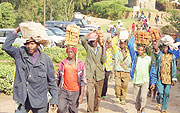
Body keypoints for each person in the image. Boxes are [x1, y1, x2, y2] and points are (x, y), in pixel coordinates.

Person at [2, 27, 58, 113]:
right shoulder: (20, 54)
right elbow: (6, 47)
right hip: (23, 98)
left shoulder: (46, 60)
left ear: (38, 44)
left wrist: (54, 98)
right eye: (27, 44)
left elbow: (52, 81)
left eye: (32, 43)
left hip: (40, 100)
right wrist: (16, 31)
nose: (30, 46)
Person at [128, 36, 157, 113]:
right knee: (136, 98)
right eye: (138, 50)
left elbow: (153, 71)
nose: (139, 51)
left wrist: (153, 82)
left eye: (141, 50)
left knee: (143, 96)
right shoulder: (135, 57)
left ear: (144, 50)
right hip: (136, 80)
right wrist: (134, 36)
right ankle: (138, 110)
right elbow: (130, 45)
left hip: (145, 80)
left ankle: (143, 108)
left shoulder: (149, 59)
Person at [81, 32, 106, 113]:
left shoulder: (101, 48)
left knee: (98, 95)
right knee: (89, 93)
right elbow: (82, 40)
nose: (92, 43)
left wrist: (104, 48)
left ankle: (96, 109)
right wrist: (89, 33)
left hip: (99, 74)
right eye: (91, 41)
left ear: (97, 40)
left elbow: (103, 60)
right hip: (90, 74)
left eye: (93, 41)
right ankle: (90, 110)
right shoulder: (88, 47)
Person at [57, 46, 86, 113]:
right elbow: (58, 77)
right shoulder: (63, 63)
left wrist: (81, 95)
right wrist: (56, 90)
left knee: (73, 110)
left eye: (71, 52)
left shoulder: (80, 64)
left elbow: (83, 80)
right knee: (61, 109)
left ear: (75, 53)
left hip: (75, 92)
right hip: (64, 90)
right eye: (68, 52)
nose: (69, 53)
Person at [154, 36, 177, 113]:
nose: (164, 49)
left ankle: (164, 108)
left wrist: (174, 78)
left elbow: (173, 68)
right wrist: (159, 39)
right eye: (163, 47)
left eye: (166, 47)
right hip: (160, 78)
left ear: (168, 48)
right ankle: (159, 102)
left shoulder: (172, 56)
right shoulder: (160, 55)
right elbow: (156, 48)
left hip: (168, 78)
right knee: (160, 92)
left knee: (167, 93)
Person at [112, 35, 131, 105]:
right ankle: (117, 96)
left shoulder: (129, 51)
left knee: (125, 86)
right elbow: (113, 43)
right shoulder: (117, 50)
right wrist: (117, 36)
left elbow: (131, 45)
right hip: (118, 71)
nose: (122, 44)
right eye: (121, 43)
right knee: (117, 85)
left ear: (126, 43)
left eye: (124, 43)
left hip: (126, 72)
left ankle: (123, 98)